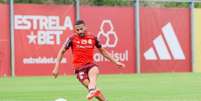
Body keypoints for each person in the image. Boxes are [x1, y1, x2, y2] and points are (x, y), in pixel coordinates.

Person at [52, 20, 125, 101]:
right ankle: (92, 91)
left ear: (85, 27)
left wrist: (115, 62)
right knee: (93, 89)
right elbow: (61, 51)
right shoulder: (71, 39)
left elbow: (103, 51)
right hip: (79, 69)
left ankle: (91, 91)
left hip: (91, 65)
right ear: (75, 30)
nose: (80, 31)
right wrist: (56, 68)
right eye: (77, 30)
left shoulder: (93, 37)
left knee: (93, 75)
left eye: (81, 29)